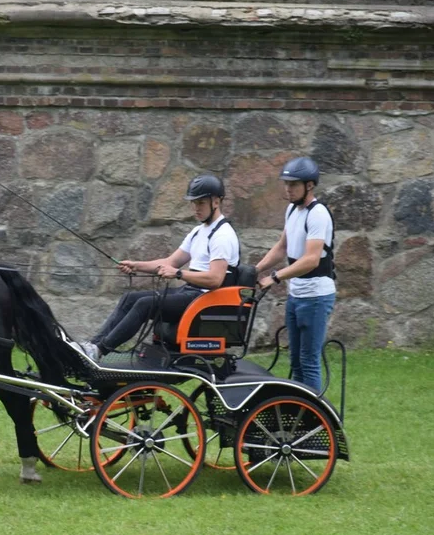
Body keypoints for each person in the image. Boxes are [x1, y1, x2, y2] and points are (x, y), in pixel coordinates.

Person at [76, 174, 240, 361]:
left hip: (205, 300)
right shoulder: (198, 231)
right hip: (191, 293)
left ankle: (99, 351)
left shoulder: (223, 236)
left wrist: (178, 274)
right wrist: (137, 265)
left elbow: (215, 279)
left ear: (216, 201)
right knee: (130, 297)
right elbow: (171, 262)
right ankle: (93, 346)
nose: (196, 208)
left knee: (146, 304)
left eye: (201, 203)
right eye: (194, 203)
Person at [255, 157, 336, 393]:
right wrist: (256, 269)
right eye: (286, 184)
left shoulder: (318, 214)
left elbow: (311, 260)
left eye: (293, 185)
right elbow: (282, 247)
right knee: (295, 362)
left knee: (309, 362)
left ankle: (314, 420)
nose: (288, 189)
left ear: (309, 185)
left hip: (316, 296)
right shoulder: (292, 210)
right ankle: (298, 417)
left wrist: (275, 277)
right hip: (296, 294)